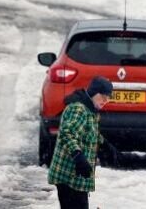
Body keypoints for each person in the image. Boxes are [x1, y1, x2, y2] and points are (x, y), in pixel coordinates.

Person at [48, 75, 113, 209]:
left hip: (77, 178)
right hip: (67, 175)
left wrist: (105, 145)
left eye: (109, 97)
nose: (106, 100)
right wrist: (78, 156)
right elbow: (66, 133)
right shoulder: (79, 109)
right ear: (94, 93)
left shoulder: (91, 111)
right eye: (103, 96)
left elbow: (87, 132)